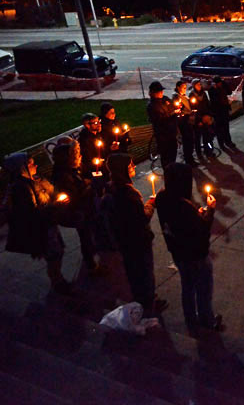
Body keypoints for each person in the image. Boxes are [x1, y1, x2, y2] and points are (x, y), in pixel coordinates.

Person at [155, 163, 222, 331]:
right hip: (196, 255)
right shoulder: (184, 206)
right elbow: (202, 232)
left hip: (178, 252)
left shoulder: (162, 197)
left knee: (187, 287)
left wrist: (197, 215)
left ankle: (190, 319)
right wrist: (210, 211)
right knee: (203, 289)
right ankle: (207, 321)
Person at [106, 153, 167, 315]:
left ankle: (143, 299)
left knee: (134, 272)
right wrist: (151, 204)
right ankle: (148, 303)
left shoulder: (113, 188)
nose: (133, 167)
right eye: (130, 165)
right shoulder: (127, 193)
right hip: (137, 241)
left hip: (125, 241)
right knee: (144, 272)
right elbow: (141, 218)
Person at [4, 153, 71, 294]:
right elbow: (32, 213)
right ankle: (57, 282)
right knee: (53, 254)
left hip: (49, 222)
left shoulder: (35, 179)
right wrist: (55, 205)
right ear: (21, 168)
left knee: (58, 251)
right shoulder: (21, 188)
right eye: (31, 164)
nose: (35, 166)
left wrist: (56, 196)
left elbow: (50, 192)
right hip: (41, 228)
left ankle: (58, 278)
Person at [51, 142, 103, 274]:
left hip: (86, 208)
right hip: (78, 213)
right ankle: (91, 265)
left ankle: (93, 250)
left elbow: (84, 178)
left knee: (90, 233)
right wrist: (91, 185)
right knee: (85, 236)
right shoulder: (62, 175)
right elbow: (74, 196)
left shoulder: (75, 167)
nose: (79, 154)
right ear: (67, 157)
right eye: (75, 152)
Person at [147, 81, 179, 168]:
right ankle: (168, 173)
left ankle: (173, 170)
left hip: (172, 133)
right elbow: (159, 120)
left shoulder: (165, 99)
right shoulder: (151, 106)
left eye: (161, 90)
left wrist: (176, 109)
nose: (161, 93)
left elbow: (172, 107)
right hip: (163, 136)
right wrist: (172, 113)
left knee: (173, 153)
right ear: (153, 93)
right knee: (166, 157)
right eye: (158, 91)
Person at [189, 79, 214, 158]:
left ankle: (209, 152)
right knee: (197, 138)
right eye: (197, 84)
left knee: (207, 137)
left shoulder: (203, 93)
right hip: (198, 120)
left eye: (200, 84)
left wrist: (209, 115)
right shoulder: (192, 95)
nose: (199, 86)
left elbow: (208, 105)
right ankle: (199, 154)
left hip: (206, 118)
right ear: (194, 86)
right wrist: (199, 120)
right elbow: (193, 109)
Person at [208, 76, 235, 149]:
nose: (220, 84)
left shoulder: (223, 87)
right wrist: (216, 88)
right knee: (219, 128)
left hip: (225, 110)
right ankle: (221, 143)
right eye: (219, 83)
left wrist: (224, 83)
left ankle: (228, 141)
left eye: (220, 82)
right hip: (217, 112)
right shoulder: (211, 90)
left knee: (226, 127)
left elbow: (229, 92)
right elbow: (214, 100)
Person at [175, 80, 197, 166]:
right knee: (187, 140)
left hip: (188, 120)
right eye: (183, 87)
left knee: (191, 140)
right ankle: (188, 159)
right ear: (178, 87)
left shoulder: (184, 96)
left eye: (185, 87)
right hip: (183, 121)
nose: (185, 89)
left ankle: (190, 158)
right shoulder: (177, 97)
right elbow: (178, 109)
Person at [77, 113, 105, 179]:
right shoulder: (85, 140)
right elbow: (87, 159)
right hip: (93, 171)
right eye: (95, 123)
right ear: (87, 125)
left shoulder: (98, 135)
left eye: (99, 121)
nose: (99, 124)